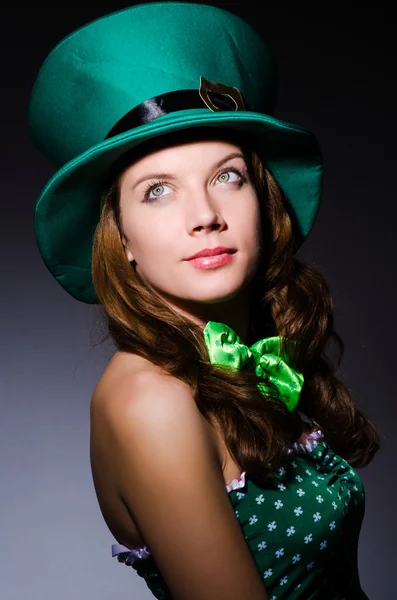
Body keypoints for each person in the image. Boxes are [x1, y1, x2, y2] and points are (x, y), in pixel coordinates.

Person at [28, 3, 380, 599]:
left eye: (227, 176)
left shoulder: (248, 359)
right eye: (158, 191)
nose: (205, 217)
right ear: (123, 238)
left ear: (264, 202)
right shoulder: (151, 402)